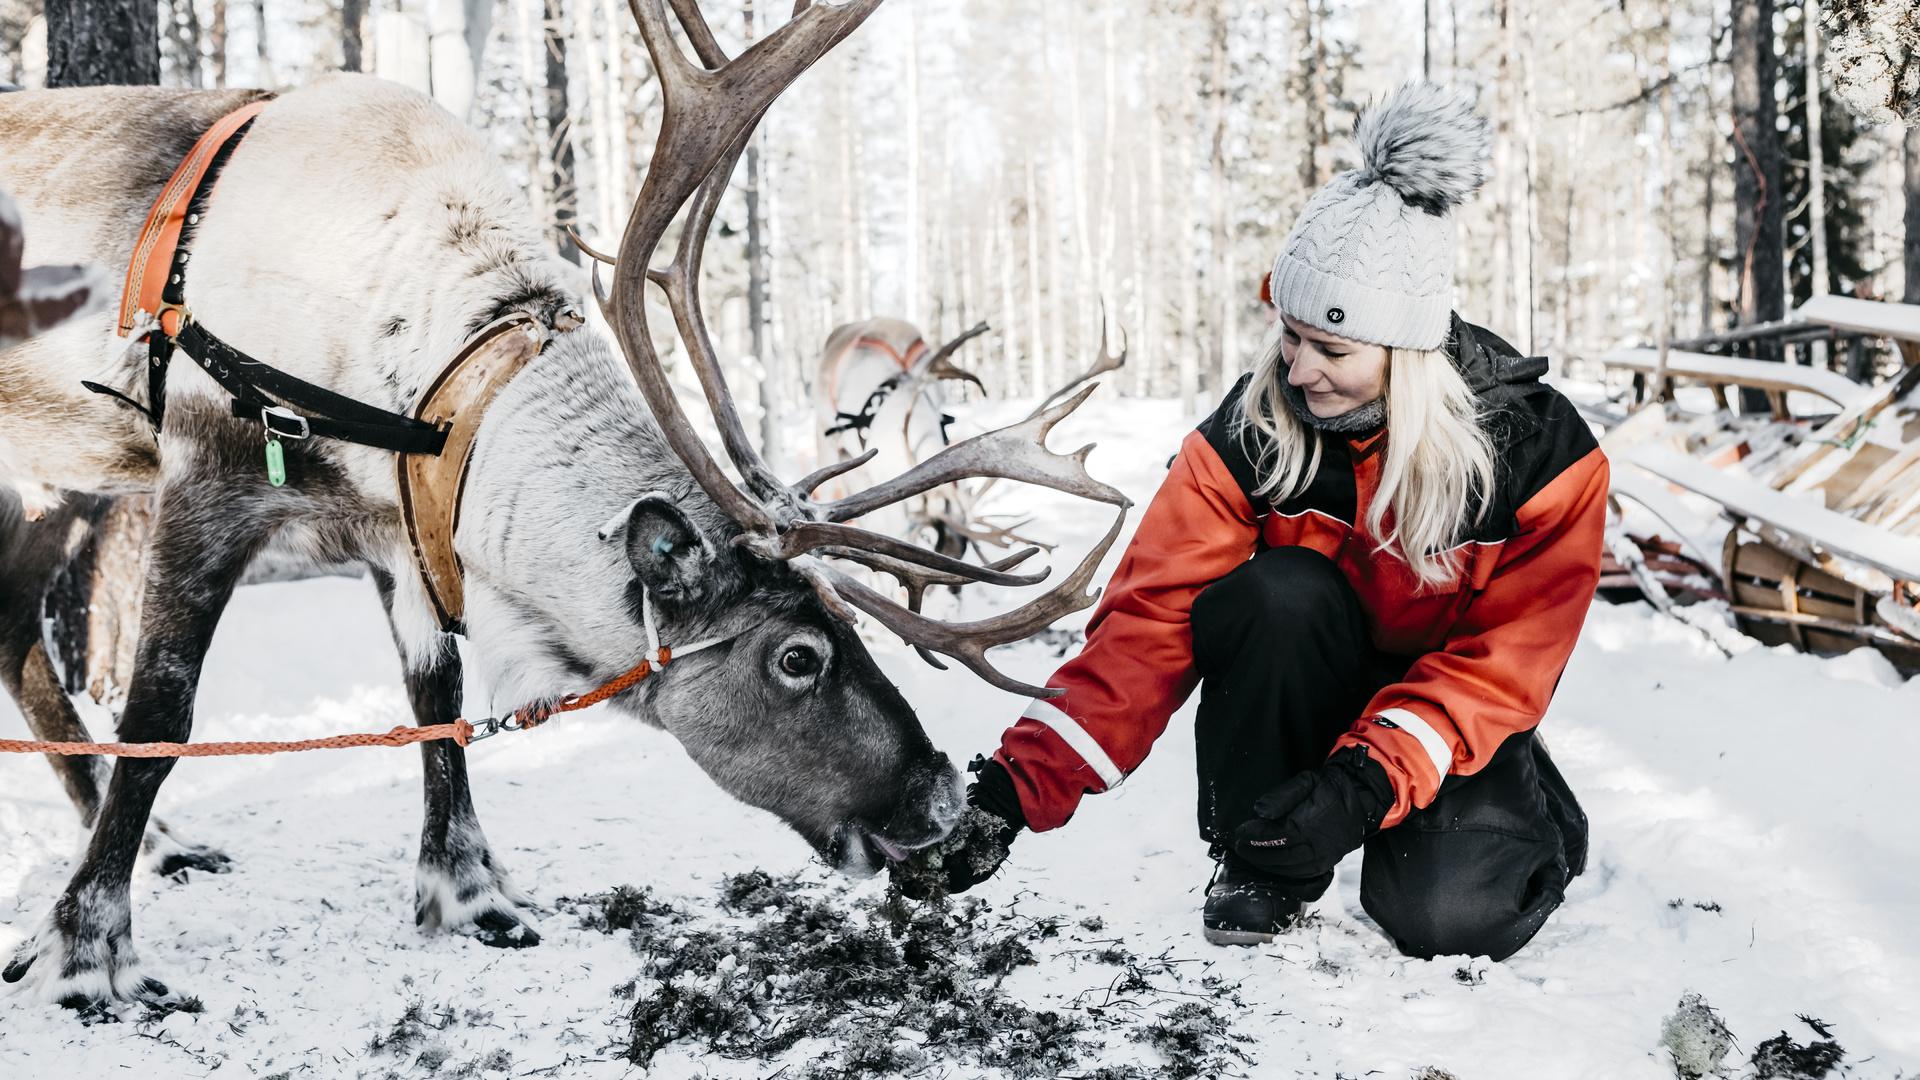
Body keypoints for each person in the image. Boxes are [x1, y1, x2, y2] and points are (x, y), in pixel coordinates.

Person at [934, 82, 1607, 962]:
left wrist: (1364, 784)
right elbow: (1149, 624)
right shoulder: (1253, 431)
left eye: (1332, 349)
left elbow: (1505, 663)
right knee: (1275, 593)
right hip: (1306, 675)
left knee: (1447, 924)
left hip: (1444, 711)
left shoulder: (1541, 452)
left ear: (1409, 353)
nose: (1299, 371)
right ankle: (1262, 865)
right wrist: (1012, 794)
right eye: (1289, 336)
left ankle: (1520, 815)